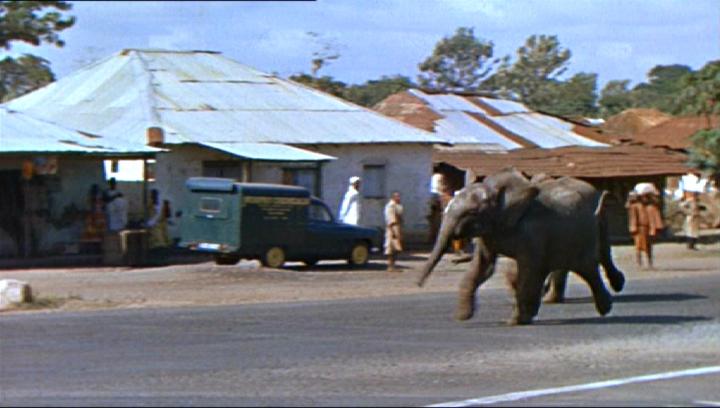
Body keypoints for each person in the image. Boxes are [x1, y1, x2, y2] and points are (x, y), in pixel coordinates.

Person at [627, 190, 664, 268]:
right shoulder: (635, 206)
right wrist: (633, 227)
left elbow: (653, 217)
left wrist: (654, 228)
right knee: (638, 246)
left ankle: (649, 263)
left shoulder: (650, 207)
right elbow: (632, 216)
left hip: (647, 228)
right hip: (639, 229)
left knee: (648, 246)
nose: (645, 199)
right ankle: (639, 263)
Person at [384, 191, 404, 272]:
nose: (398, 198)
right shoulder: (390, 206)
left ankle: (393, 265)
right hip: (392, 228)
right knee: (390, 248)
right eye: (397, 196)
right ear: (393, 197)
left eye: (399, 196)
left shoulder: (398, 206)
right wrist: (394, 231)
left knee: (396, 248)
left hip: (398, 227)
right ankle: (390, 265)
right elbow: (391, 219)